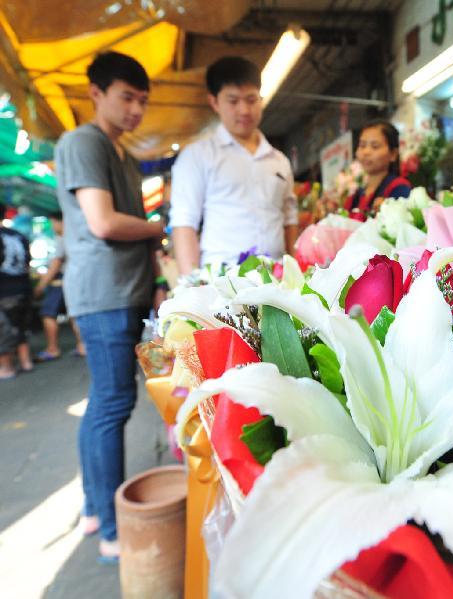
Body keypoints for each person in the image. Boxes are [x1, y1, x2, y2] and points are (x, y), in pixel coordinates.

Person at [54, 51, 164, 562]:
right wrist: (160, 227)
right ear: (95, 94)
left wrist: (158, 275)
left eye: (142, 100)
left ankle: (96, 509)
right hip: (103, 294)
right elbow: (102, 222)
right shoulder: (82, 142)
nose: (136, 109)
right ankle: (111, 528)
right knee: (113, 403)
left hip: (128, 289)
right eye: (126, 97)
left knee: (106, 402)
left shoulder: (123, 156)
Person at [169, 56, 299, 273]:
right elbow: (184, 223)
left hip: (277, 277)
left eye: (251, 99)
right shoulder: (197, 156)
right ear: (214, 102)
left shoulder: (279, 161)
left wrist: (296, 271)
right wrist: (191, 287)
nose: (244, 110)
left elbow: (289, 218)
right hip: (223, 278)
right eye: (233, 101)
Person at [33, 217, 85, 360]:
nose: (52, 226)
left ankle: (52, 348)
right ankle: (83, 346)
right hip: (75, 280)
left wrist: (41, 285)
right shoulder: (75, 236)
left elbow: (56, 264)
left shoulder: (62, 238)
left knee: (48, 313)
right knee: (74, 313)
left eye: (53, 222)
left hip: (61, 282)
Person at [345, 120, 411, 221]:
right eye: (362, 145)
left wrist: (388, 210)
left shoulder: (399, 188)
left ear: (393, 154)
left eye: (375, 146)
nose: (366, 152)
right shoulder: (354, 197)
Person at [0, 222, 33, 379]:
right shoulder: (18, 234)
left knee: (3, 329)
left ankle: (6, 367)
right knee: (19, 325)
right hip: (22, 286)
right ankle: (26, 362)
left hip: (4, 289)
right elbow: (28, 260)